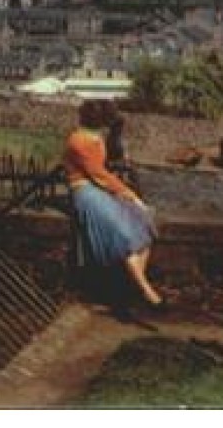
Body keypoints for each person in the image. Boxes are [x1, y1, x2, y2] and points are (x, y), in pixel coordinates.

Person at [63, 99, 162, 307]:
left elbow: (104, 168)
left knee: (143, 223)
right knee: (124, 236)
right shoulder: (80, 141)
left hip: (98, 190)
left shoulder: (94, 138)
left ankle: (135, 286)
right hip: (86, 193)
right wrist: (130, 194)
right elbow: (99, 175)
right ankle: (145, 289)